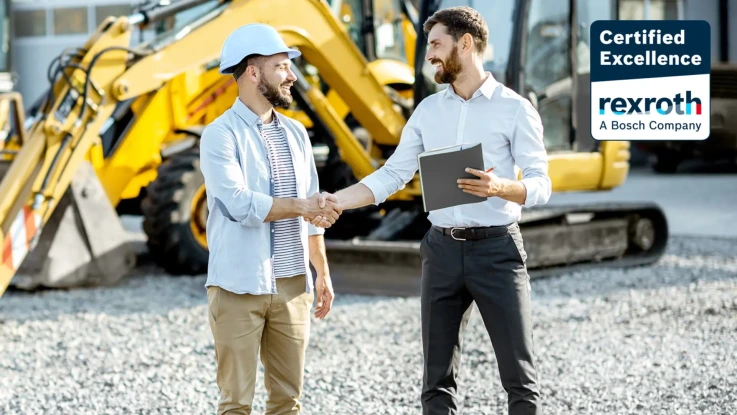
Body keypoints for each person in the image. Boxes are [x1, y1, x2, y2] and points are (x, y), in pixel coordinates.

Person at [314, 6, 551, 415]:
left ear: (465, 43)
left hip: (498, 252)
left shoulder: (515, 109)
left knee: (519, 378)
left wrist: (501, 187)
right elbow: (392, 175)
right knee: (436, 382)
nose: (429, 56)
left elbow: (542, 183)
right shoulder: (427, 111)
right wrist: (338, 200)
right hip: (440, 252)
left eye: (437, 45)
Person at [199, 23, 341, 415]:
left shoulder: (296, 134)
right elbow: (240, 204)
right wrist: (302, 206)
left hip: (294, 286)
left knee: (288, 401)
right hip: (238, 287)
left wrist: (322, 273)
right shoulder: (219, 135)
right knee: (236, 404)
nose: (291, 75)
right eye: (281, 66)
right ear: (252, 72)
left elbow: (313, 214)